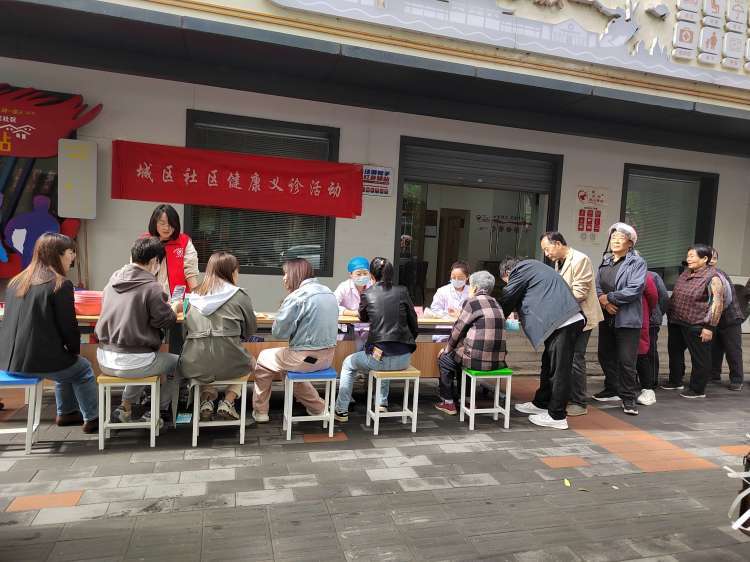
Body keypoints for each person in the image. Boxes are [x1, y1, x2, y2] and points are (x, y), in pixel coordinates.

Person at [0, 233, 98, 433]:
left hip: (9, 362)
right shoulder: (60, 284)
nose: (73, 257)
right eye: (71, 252)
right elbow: (68, 327)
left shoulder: (16, 282)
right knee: (82, 369)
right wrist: (74, 350)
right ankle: (92, 418)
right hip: (38, 362)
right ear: (58, 254)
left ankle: (67, 413)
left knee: (66, 363)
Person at [95, 237, 182, 427]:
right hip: (134, 361)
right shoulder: (152, 287)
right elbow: (165, 321)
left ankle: (125, 407)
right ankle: (157, 411)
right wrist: (174, 308)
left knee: (146, 357)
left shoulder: (113, 280)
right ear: (154, 261)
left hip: (104, 358)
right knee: (179, 363)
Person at [501, 258, 584, 430]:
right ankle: (542, 402)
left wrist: (495, 315)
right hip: (561, 321)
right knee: (548, 365)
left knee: (559, 370)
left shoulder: (520, 269)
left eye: (506, 281)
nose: (509, 283)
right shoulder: (534, 268)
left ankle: (557, 415)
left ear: (508, 272)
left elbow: (508, 297)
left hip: (563, 321)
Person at [252, 258, 338, 422]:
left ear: (295, 273)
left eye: (285, 273)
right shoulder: (328, 292)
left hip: (304, 359)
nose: (284, 278)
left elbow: (279, 333)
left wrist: (281, 311)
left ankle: (260, 411)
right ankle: (319, 408)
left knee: (263, 358)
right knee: (287, 369)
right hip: (327, 358)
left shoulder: (297, 296)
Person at [335, 257, 418, 421]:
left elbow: (363, 317)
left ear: (371, 275)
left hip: (378, 358)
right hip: (404, 358)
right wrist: (406, 342)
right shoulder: (403, 291)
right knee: (382, 352)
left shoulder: (368, 293)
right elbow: (413, 323)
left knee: (350, 363)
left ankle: (341, 410)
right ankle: (381, 403)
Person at [179, 252, 257, 421]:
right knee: (249, 362)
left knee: (204, 360)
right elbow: (250, 330)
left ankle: (206, 400)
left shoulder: (192, 297)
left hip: (194, 364)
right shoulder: (239, 295)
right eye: (237, 271)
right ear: (231, 272)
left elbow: (185, 331)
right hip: (231, 362)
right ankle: (228, 401)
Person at [540, 231, 603, 416]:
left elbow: (580, 293)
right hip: (567, 319)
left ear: (558, 244)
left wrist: (554, 305)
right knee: (564, 358)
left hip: (581, 318)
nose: (546, 254)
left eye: (547, 249)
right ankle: (564, 396)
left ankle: (579, 402)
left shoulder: (580, 259)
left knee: (575, 357)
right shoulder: (560, 262)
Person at [592, 223, 647, 416]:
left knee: (626, 361)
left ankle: (628, 398)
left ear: (630, 243)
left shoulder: (637, 263)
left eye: (620, 238)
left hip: (627, 319)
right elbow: (596, 285)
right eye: (613, 237)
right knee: (605, 355)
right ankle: (612, 388)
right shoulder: (606, 261)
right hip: (606, 316)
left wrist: (609, 298)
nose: (615, 241)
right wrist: (603, 300)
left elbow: (635, 289)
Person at [434, 271, 505, 415]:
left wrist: (447, 349)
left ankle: (448, 402)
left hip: (477, 360)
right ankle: (465, 399)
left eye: (470, 285)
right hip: (498, 361)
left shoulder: (472, 302)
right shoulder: (496, 303)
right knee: (460, 356)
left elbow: (458, 330)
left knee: (445, 359)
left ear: (475, 287)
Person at [662, 244, 724, 398]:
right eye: (688, 256)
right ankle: (675, 381)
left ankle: (697, 389)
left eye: (692, 256)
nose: (688, 259)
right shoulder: (686, 273)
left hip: (697, 324)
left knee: (700, 358)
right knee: (675, 352)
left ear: (704, 259)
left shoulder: (713, 278)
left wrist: (709, 327)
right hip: (677, 320)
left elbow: (717, 303)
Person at [709, 248, 745, 391]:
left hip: (730, 318)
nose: (711, 260)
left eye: (714, 258)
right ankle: (714, 374)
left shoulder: (718, 275)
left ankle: (737, 379)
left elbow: (725, 301)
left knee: (733, 350)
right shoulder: (702, 274)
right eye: (709, 257)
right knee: (715, 348)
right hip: (715, 318)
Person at [147, 204, 199, 297]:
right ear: (154, 223)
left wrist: (197, 296)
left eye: (170, 224)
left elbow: (191, 271)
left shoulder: (184, 242)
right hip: (151, 297)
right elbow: (137, 270)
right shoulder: (145, 242)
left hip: (178, 297)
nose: (166, 228)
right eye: (162, 223)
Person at [635, 271, 659, 406]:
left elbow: (653, 296)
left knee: (641, 354)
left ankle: (648, 389)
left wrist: (647, 312)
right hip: (620, 319)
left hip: (639, 317)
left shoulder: (643, 275)